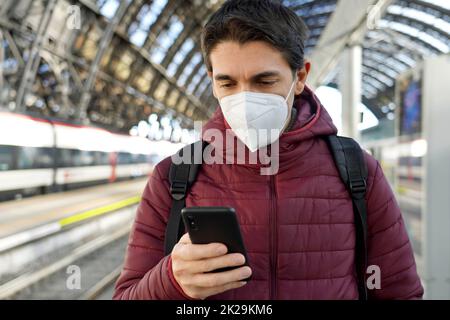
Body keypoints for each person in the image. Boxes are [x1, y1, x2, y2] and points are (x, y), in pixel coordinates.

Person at [113, 0, 423, 300]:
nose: (245, 100)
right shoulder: (174, 176)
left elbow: (399, 291)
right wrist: (170, 281)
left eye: (264, 81)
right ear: (211, 81)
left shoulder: (357, 171)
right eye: (228, 83)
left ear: (300, 77)